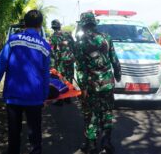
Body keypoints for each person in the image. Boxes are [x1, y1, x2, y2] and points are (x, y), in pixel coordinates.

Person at [0, 10, 51, 154]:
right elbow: (46, 74)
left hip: (13, 96)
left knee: (14, 134)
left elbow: (0, 64)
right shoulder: (45, 46)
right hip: (35, 97)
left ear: (24, 24)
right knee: (35, 135)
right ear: (40, 25)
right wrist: (46, 96)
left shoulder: (13, 40)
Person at [75, 12, 121, 154]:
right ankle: (106, 142)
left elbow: (81, 69)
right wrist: (118, 74)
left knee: (92, 114)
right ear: (94, 23)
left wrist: (83, 88)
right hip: (107, 82)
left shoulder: (80, 43)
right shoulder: (106, 38)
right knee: (107, 111)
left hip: (91, 84)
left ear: (83, 24)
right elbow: (114, 59)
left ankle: (93, 145)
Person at [49, 19, 75, 104]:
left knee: (60, 78)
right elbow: (74, 45)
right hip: (69, 59)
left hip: (59, 61)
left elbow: (51, 51)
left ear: (53, 27)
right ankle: (68, 98)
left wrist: (51, 64)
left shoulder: (52, 37)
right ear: (60, 26)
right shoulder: (68, 34)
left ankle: (60, 99)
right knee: (69, 77)